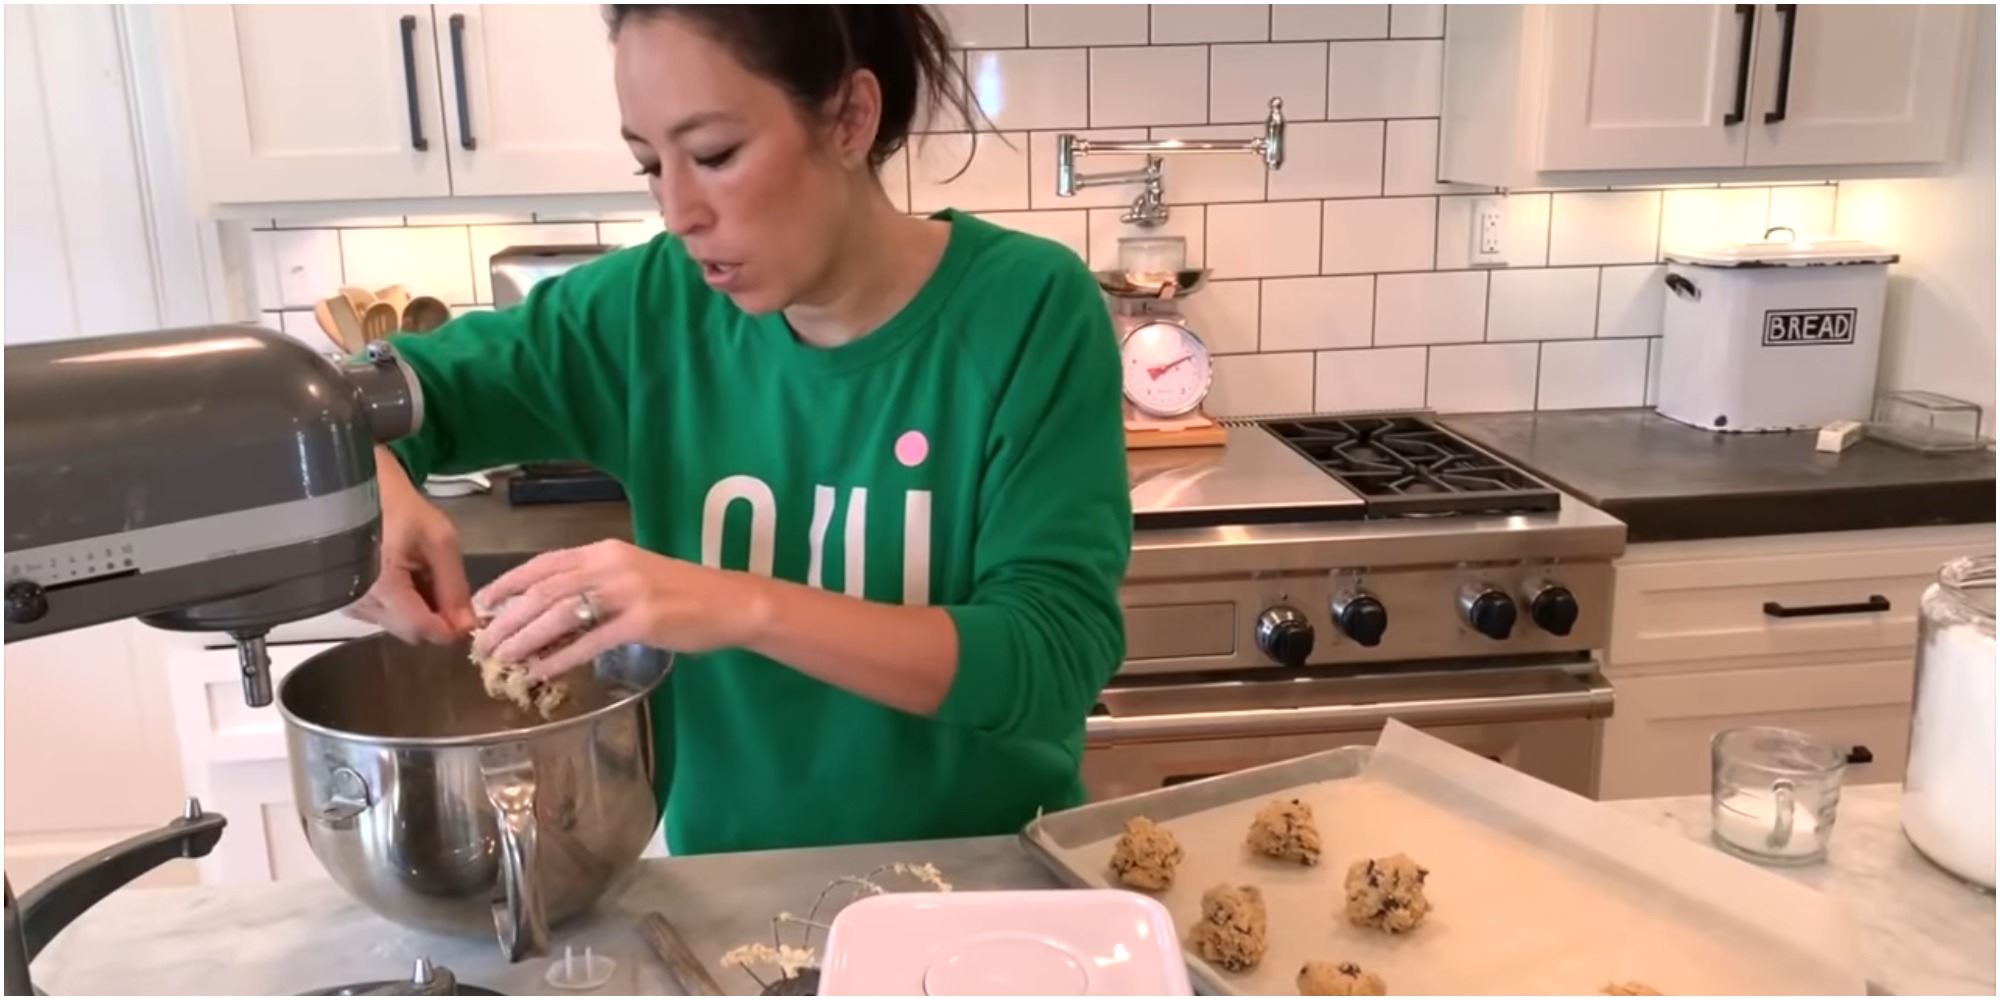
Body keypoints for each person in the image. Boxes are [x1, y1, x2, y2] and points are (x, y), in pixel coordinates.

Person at [348, 4, 1134, 857]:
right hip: (734, 901)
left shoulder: (1025, 309)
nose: (679, 210)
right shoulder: (647, 312)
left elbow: (1052, 658)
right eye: (650, 164)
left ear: (849, 119)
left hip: (986, 885)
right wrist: (367, 488)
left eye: (715, 155)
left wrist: (742, 607)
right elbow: (367, 404)